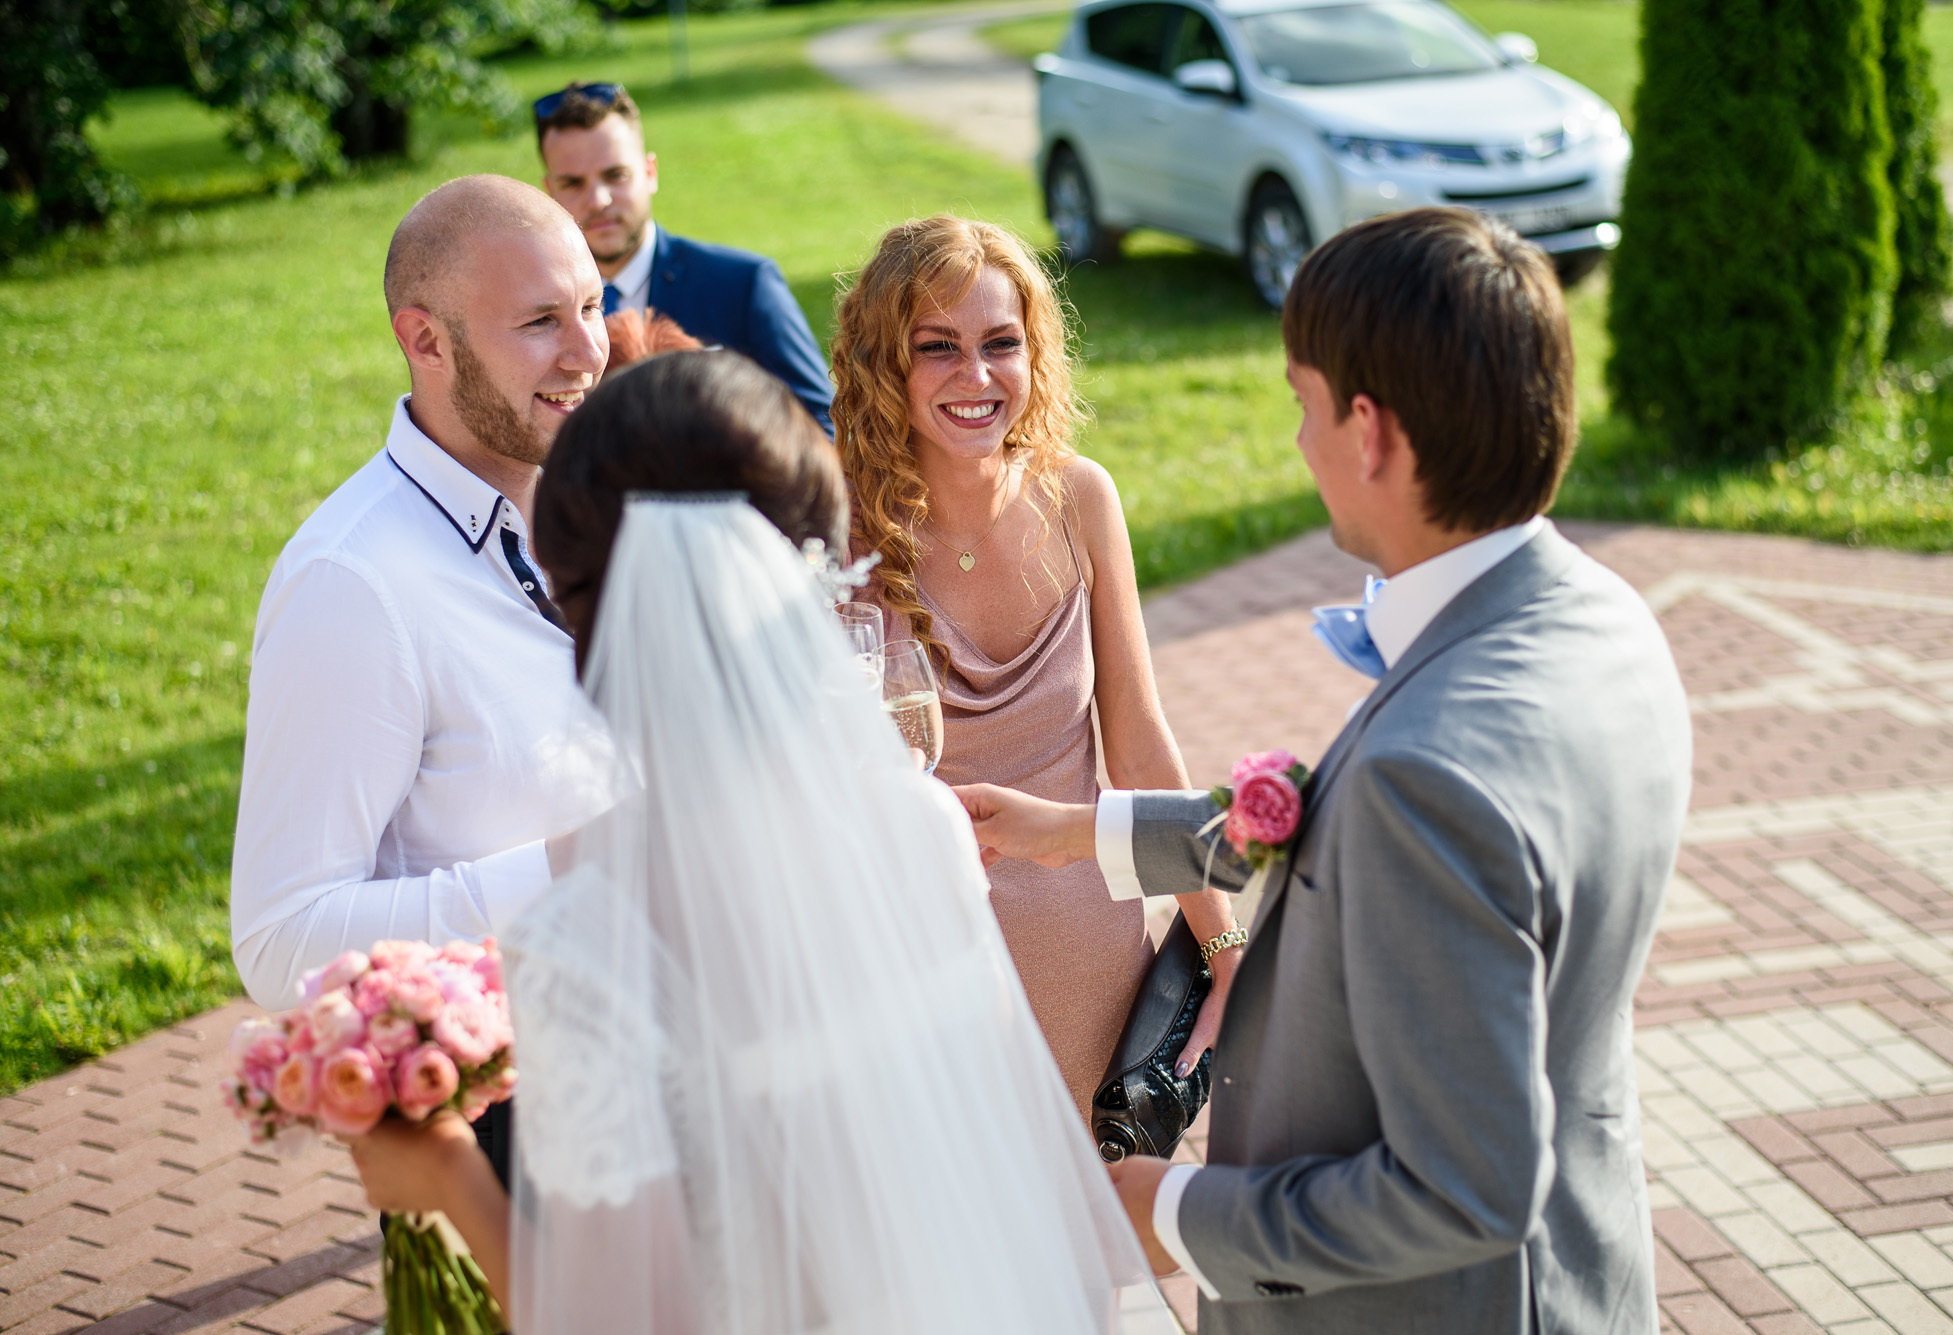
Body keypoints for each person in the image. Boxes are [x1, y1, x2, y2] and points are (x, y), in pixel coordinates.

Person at [958, 208, 1693, 1334]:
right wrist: (1077, 833)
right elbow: (1340, 821)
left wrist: (1183, 1211)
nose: (1296, 444)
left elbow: (1462, 1189)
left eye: (1301, 405)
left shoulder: (1426, 776)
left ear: (1371, 433)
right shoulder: (1599, 619)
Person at [346, 349, 1173, 1334]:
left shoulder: (578, 939)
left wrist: (443, 1173)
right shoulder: (920, 834)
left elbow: (618, 1321)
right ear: (807, 572)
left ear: (573, 602)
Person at [230, 174, 612, 1185]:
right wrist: (584, 864)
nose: (587, 351)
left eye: (591, 305)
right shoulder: (350, 585)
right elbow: (280, 946)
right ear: (426, 340)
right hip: (516, 1132)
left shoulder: (602, 497)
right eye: (540, 322)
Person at [831, 215, 1245, 1117]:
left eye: (1000, 344)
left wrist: (1223, 948)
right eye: (935, 347)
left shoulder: (1081, 498)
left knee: (1102, 1248)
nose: (974, 377)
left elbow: (1139, 746)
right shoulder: (829, 530)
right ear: (880, 363)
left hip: (1092, 980)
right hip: (914, 983)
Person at [535, 81, 836, 436]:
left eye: (615, 175)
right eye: (573, 183)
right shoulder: (529, 303)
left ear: (650, 173)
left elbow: (821, 428)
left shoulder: (742, 285)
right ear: (549, 191)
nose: (598, 199)